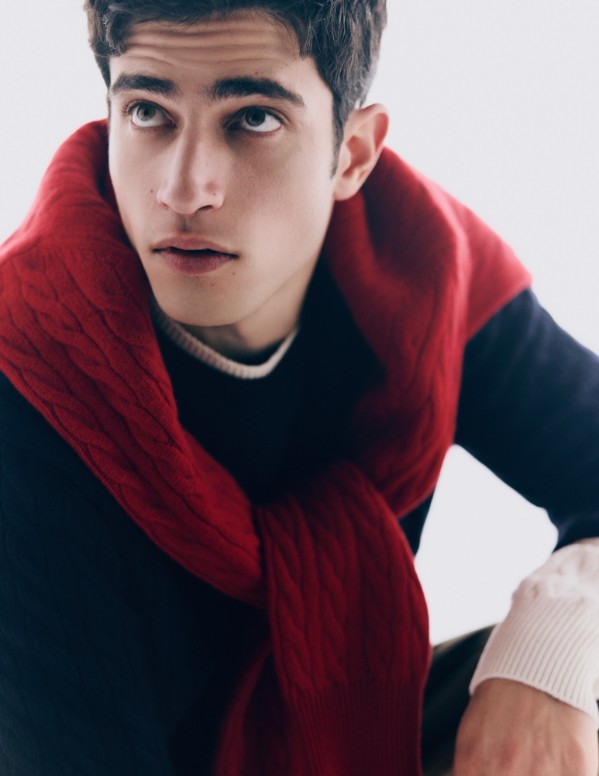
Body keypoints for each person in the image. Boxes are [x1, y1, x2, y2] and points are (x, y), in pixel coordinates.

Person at [0, 1, 597, 774]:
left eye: (252, 119)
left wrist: (547, 659)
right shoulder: (28, 373)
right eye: (148, 112)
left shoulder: (420, 270)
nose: (185, 190)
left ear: (352, 154)